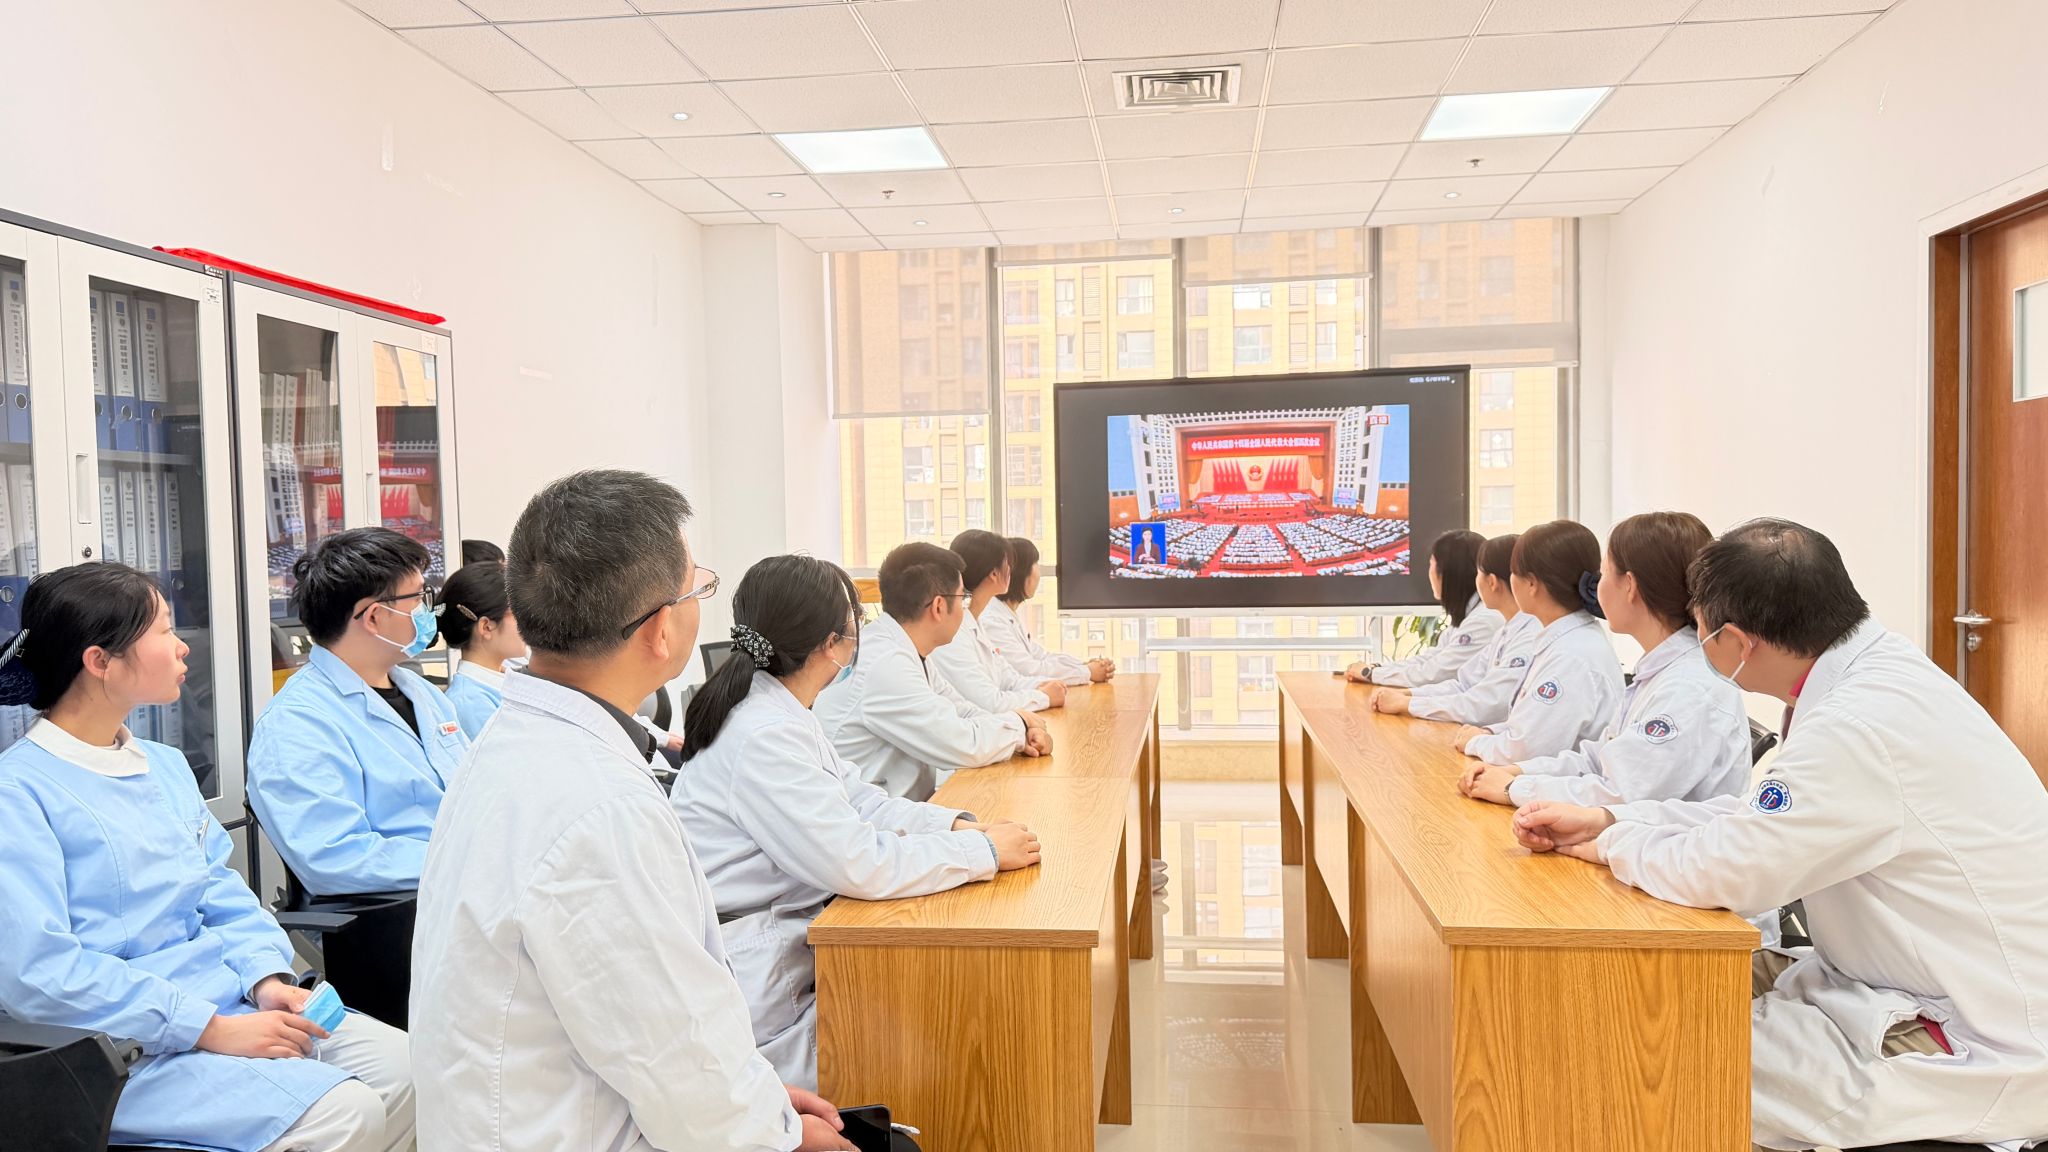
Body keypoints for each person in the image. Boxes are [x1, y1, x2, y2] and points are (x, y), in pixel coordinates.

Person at [1510, 519, 2048, 1152]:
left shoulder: (1855, 727)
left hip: (1975, 1040)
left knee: (1643, 1056)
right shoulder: (1876, 674)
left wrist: (1610, 844)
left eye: (1702, 630)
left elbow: (1730, 869)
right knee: (1640, 996)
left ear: (1736, 642)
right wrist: (1614, 822)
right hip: (1895, 981)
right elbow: (1754, 818)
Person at [412, 471, 859, 1151]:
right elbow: (679, 1067)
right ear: (659, 629)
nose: (701, 601)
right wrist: (777, 1130)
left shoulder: (520, 746)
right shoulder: (599, 805)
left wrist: (760, 1099)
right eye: (697, 587)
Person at [0, 563, 413, 1152]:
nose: (183, 646)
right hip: (122, 1047)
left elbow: (220, 892)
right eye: (164, 630)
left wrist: (266, 978)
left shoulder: (165, 767)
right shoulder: (18, 793)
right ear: (100, 661)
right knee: (344, 1113)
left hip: (230, 1002)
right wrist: (206, 1028)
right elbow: (40, 975)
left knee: (408, 1068)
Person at [672, 554, 1042, 1089]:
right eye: (856, 622)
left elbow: (861, 800)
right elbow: (857, 862)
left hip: (789, 939)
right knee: (937, 1040)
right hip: (759, 977)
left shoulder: (780, 710)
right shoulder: (764, 734)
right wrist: (980, 855)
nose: (861, 632)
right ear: (832, 643)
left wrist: (960, 829)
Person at [1459, 512, 1750, 809]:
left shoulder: (1688, 688)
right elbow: (1598, 759)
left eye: (1604, 572)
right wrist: (1518, 772)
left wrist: (1514, 787)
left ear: (1629, 586)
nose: (1594, 585)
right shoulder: (1662, 670)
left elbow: (1618, 794)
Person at [247, 528, 468, 896]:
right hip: (405, 910)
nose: (429, 609)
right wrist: (466, 861)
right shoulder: (296, 723)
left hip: (466, 890)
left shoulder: (424, 694)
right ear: (374, 617)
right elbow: (334, 856)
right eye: (419, 597)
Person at [816, 542, 1051, 801]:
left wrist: (1021, 729)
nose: (964, 609)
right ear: (939, 607)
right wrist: (1019, 726)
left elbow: (962, 710)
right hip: (871, 816)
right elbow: (962, 743)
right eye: (962, 598)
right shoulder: (885, 663)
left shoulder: (905, 648)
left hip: (906, 804)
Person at [1448, 520, 1622, 764]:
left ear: (1531, 583)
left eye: (1513, 572)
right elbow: (1526, 725)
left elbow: (1525, 750)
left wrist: (1476, 741)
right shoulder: (1566, 639)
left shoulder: (1571, 656)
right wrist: (1489, 732)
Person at [1369, 533, 1541, 725]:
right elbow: (1464, 683)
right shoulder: (1505, 629)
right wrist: (1408, 695)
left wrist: (1407, 702)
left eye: (1479, 573)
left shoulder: (1491, 622)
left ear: (1491, 582)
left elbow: (1486, 705)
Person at [928, 530, 1064, 714]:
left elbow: (1009, 680)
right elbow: (990, 703)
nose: (1012, 570)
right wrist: (1044, 696)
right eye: (1008, 563)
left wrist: (1044, 685)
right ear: (994, 573)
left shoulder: (975, 622)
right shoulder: (953, 633)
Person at [1346, 529, 1491, 687]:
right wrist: (1377, 669)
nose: (1429, 573)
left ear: (1448, 573)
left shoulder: (1482, 621)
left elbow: (1436, 674)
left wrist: (1371, 674)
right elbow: (1431, 659)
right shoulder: (1469, 615)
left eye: (1431, 564)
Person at [981, 536, 1113, 687]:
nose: (1039, 573)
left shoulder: (1007, 614)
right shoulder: (992, 621)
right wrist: (1087, 672)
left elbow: (1043, 657)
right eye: (1036, 564)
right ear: (1021, 573)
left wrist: (1083, 666)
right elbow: (1030, 671)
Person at [437, 559, 523, 739]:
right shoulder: (469, 704)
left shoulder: (503, 681)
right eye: (518, 613)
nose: (529, 622)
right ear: (486, 627)